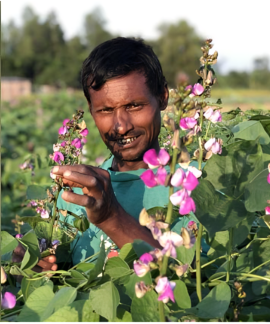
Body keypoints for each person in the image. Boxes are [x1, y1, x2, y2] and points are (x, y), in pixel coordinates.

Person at [24, 37, 198, 270]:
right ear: (91, 111)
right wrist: (33, 269)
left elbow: (189, 281)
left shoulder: (192, 183)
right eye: (105, 110)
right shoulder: (77, 193)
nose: (121, 126)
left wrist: (110, 218)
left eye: (134, 106)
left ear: (162, 97)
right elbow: (65, 278)